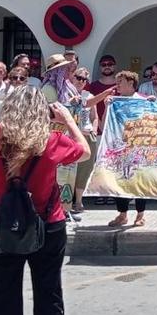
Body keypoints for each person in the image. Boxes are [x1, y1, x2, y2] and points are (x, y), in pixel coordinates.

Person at [0, 87, 89, 315]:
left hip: (1, 227)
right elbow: (84, 151)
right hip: (48, 224)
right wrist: (67, 120)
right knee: (48, 293)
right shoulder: (51, 142)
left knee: (3, 296)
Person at [106, 71, 148, 227]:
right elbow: (105, 125)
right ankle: (122, 214)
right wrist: (107, 107)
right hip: (119, 146)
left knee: (138, 181)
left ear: (131, 83)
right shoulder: (115, 101)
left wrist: (153, 104)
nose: (117, 86)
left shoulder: (143, 100)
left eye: (120, 82)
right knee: (119, 180)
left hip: (138, 146)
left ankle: (140, 214)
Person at [68, 66, 99, 222]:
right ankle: (67, 199)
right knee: (69, 168)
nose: (80, 81)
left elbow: (95, 117)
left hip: (86, 135)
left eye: (84, 79)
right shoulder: (67, 94)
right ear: (72, 78)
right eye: (78, 78)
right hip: (71, 137)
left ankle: (78, 201)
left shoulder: (89, 96)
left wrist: (93, 129)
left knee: (85, 169)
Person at [87, 55, 119, 123]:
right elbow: (89, 107)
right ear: (100, 67)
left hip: (117, 127)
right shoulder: (93, 86)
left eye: (110, 64)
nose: (107, 67)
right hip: (97, 129)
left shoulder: (121, 85)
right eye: (103, 65)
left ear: (114, 66)